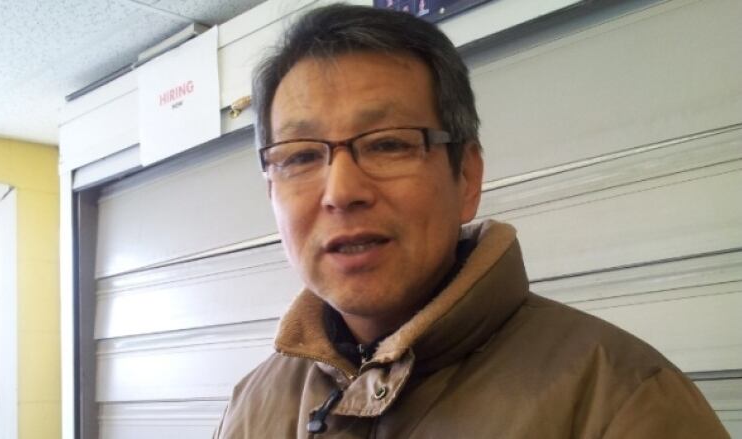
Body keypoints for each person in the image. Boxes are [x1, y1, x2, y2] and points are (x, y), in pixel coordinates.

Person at [214, 4, 728, 438]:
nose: (342, 191)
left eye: (389, 144)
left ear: (467, 176)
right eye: (301, 156)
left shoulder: (622, 401)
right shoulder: (252, 407)